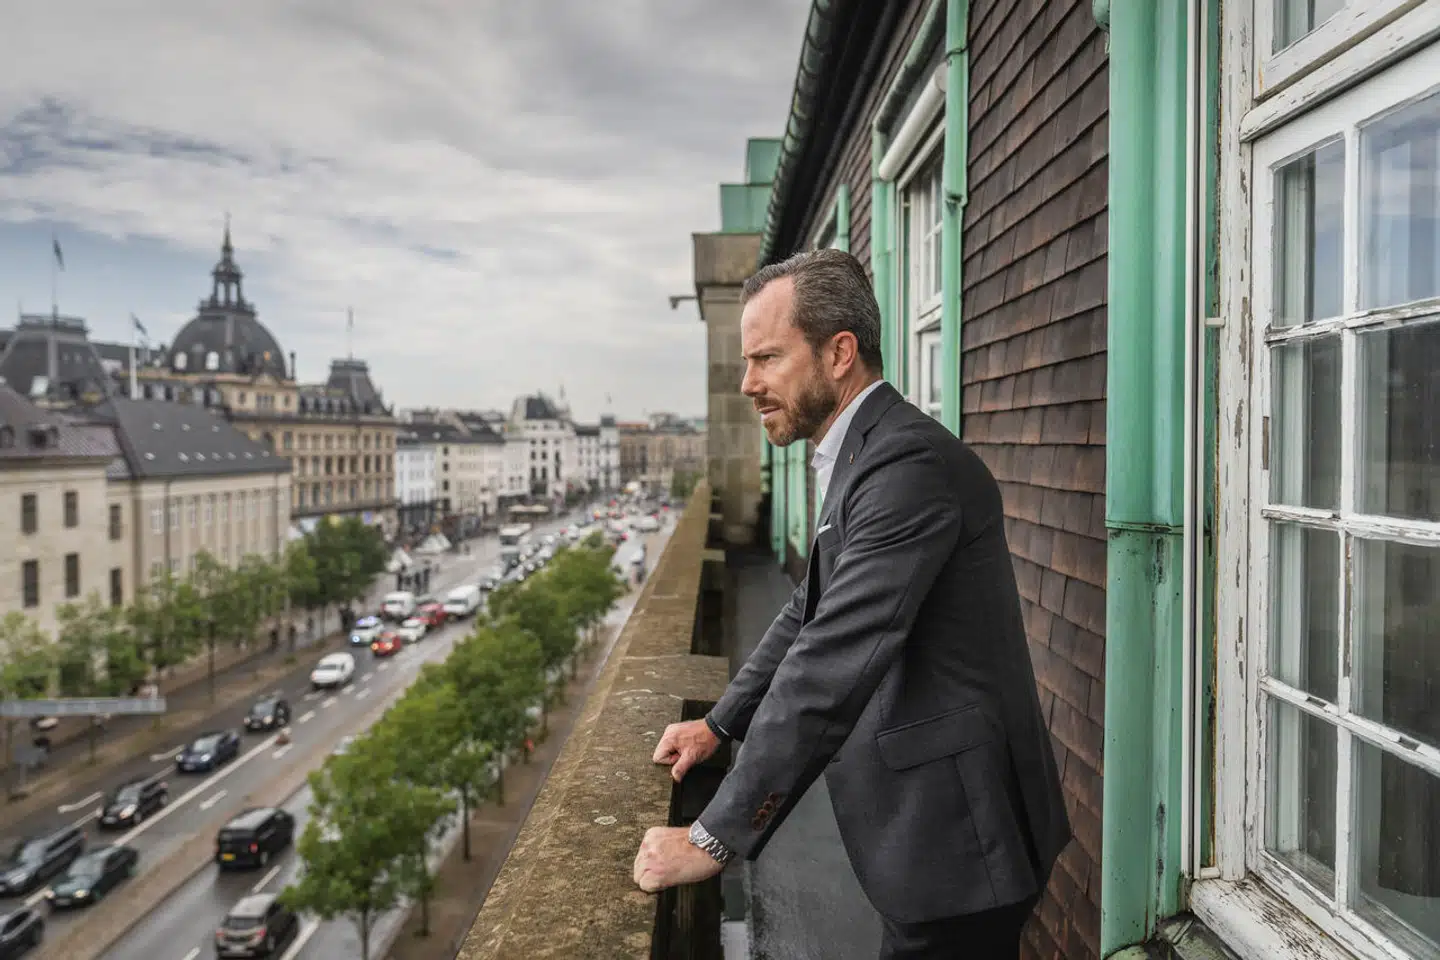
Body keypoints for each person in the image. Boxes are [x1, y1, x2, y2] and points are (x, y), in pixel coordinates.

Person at [632, 250, 1071, 960]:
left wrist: (714, 836)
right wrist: (719, 722)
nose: (748, 383)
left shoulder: (906, 467)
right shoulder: (865, 451)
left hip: (962, 842)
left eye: (767, 358)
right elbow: (809, 609)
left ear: (839, 354)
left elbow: (829, 659)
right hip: (936, 828)